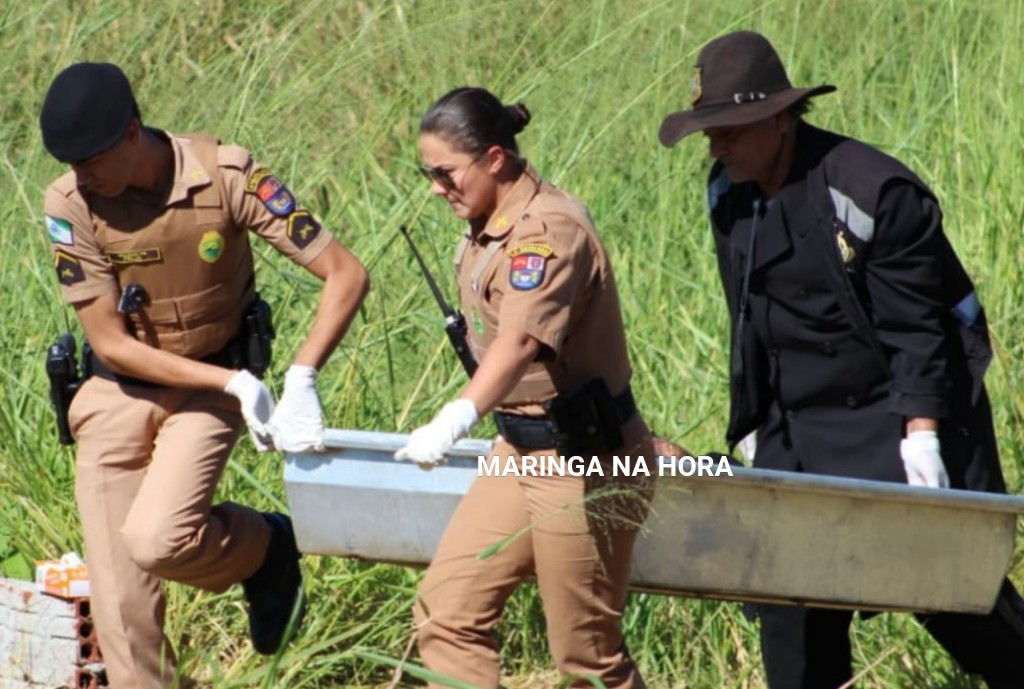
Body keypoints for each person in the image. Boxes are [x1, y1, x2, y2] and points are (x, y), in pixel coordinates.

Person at [657, 30, 1024, 689]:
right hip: (796, 430)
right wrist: (754, 421)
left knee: (952, 594)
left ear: (778, 119)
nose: (716, 146)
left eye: (730, 131)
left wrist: (923, 437)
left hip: (891, 419)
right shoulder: (727, 193)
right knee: (790, 605)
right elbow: (750, 319)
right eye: (709, 132)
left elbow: (920, 330)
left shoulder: (872, 192)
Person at [39, 62, 369, 689]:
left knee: (159, 540)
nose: (81, 177)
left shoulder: (227, 176)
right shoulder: (69, 202)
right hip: (119, 386)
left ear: (133, 133)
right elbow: (109, 338)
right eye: (71, 163)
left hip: (208, 389)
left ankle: (267, 548)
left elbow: (345, 274)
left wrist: (300, 377)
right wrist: (237, 387)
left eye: (92, 160)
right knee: (119, 604)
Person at [394, 86, 655, 688]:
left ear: (492, 159)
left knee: (587, 659)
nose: (436, 188)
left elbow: (518, 341)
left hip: (585, 460)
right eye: (426, 173)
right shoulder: (487, 223)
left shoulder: (549, 232)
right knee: (446, 616)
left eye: (445, 173)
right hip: (518, 451)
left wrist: (454, 418)